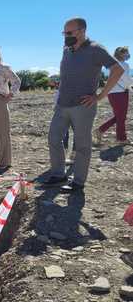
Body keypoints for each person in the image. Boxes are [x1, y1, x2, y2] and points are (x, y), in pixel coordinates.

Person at [44, 17, 124, 193]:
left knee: (82, 145)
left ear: (82, 31)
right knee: (53, 138)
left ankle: (78, 182)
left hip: (83, 106)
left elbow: (117, 69)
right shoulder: (67, 49)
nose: (66, 36)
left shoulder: (96, 49)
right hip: (62, 104)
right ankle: (59, 174)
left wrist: (100, 95)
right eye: (64, 32)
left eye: (69, 32)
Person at [94, 46, 132, 145]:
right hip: (121, 93)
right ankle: (121, 139)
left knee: (120, 116)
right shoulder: (125, 65)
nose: (128, 55)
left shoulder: (113, 64)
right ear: (122, 54)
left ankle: (101, 130)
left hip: (112, 93)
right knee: (121, 117)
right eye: (126, 53)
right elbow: (127, 80)